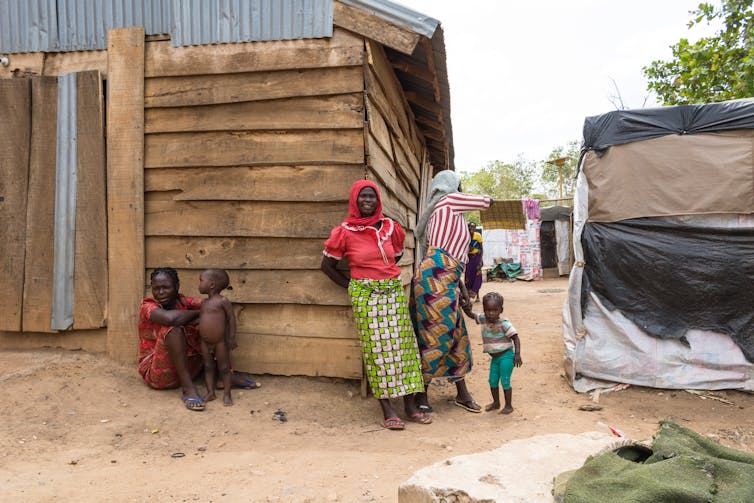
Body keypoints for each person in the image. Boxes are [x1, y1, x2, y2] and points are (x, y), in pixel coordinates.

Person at [321, 180, 429, 430]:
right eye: (363, 197)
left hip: (391, 292)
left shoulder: (391, 228)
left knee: (404, 348)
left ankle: (410, 404)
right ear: (355, 200)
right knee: (377, 351)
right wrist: (353, 286)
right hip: (366, 297)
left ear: (378, 200)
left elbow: (397, 255)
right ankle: (387, 408)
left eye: (371, 196)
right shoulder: (345, 232)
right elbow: (327, 267)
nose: (367, 200)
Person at [411, 170, 492, 413]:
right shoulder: (448, 201)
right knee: (436, 335)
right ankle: (420, 394)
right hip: (436, 279)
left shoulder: (444, 214)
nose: (461, 190)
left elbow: (451, 255)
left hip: (445, 277)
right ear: (451, 187)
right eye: (459, 186)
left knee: (457, 336)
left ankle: (462, 393)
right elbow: (486, 201)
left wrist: (463, 289)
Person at [138, 267, 258, 412]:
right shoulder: (148, 306)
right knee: (174, 329)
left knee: (215, 317)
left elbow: (215, 304)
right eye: (156, 288)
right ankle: (188, 389)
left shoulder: (183, 301)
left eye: (166, 287)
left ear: (177, 286)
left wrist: (208, 313)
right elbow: (171, 319)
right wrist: (202, 313)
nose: (160, 292)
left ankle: (224, 376)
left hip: (189, 368)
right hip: (157, 373)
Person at [462, 291, 522, 414]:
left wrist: (517, 354)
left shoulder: (504, 324)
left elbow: (515, 338)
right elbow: (471, 315)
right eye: (488, 310)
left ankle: (508, 406)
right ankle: (496, 403)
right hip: (495, 358)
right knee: (492, 380)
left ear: (501, 310)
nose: (491, 313)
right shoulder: (483, 319)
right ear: (484, 309)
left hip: (506, 356)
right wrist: (464, 306)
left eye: (495, 310)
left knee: (505, 380)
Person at [198, 268, 237, 406]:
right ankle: (210, 392)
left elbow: (231, 319)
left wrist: (231, 338)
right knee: (208, 367)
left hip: (220, 342)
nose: (199, 284)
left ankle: (227, 394)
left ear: (212, 285)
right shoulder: (203, 303)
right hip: (205, 342)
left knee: (224, 368)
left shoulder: (223, 301)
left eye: (201, 281)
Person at [465, 222, 484, 303]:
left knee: (477, 277)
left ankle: (477, 296)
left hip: (477, 258)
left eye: (473, 228)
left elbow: (481, 249)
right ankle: (468, 296)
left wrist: (480, 261)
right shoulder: (465, 236)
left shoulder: (478, 236)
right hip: (469, 259)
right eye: (470, 228)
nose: (471, 230)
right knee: (468, 277)